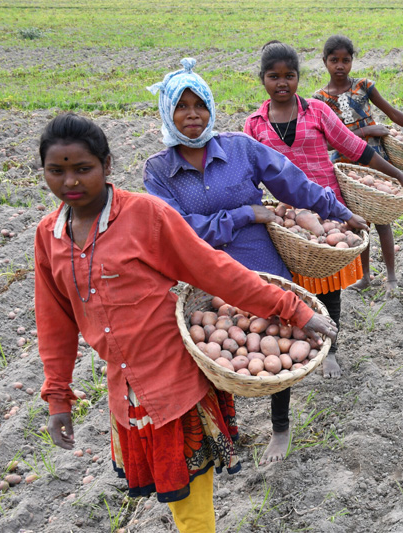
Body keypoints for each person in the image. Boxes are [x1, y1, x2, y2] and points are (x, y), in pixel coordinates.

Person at [35, 113, 336, 533]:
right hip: (127, 393)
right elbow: (54, 320)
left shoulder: (146, 215)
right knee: (181, 508)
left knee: (192, 510)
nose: (70, 181)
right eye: (57, 171)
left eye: (82, 169)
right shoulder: (49, 234)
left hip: (175, 383)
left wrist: (292, 308)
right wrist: (58, 398)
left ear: (107, 165)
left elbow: (214, 270)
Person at [142, 58, 367, 465]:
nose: (192, 114)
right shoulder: (159, 171)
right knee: (212, 357)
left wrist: (339, 210)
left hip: (260, 266)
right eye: (182, 106)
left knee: (278, 341)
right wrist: (246, 214)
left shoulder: (240, 148)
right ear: (167, 112)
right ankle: (224, 432)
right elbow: (178, 232)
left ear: (210, 108)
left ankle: (280, 428)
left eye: (200, 105)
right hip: (204, 276)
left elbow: (292, 182)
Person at [243, 41, 403, 372]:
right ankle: (299, 346)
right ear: (263, 79)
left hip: (329, 214)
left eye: (290, 75)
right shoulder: (254, 125)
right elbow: (248, 177)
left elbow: (357, 149)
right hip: (288, 219)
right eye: (274, 76)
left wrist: (400, 177)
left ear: (298, 77)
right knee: (292, 288)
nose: (282, 83)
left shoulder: (317, 111)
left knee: (330, 287)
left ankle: (331, 349)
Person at [312, 34, 403, 291]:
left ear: (352, 61)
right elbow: (324, 143)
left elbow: (393, 113)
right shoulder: (319, 100)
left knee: (382, 220)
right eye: (334, 60)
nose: (340, 65)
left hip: (375, 161)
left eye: (345, 60)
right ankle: (366, 276)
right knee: (358, 223)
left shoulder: (364, 86)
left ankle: (391, 277)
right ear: (324, 61)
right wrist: (365, 132)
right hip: (347, 168)